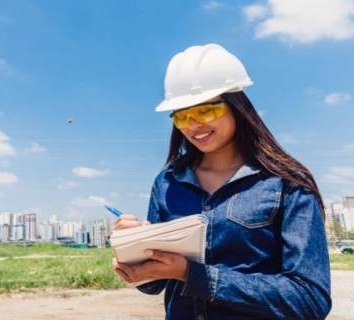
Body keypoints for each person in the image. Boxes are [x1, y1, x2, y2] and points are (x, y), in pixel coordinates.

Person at [112, 43, 332, 319]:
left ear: (237, 106)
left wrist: (194, 275)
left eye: (205, 111)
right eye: (181, 116)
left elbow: (310, 300)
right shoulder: (167, 183)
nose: (193, 125)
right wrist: (136, 253)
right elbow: (154, 284)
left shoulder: (287, 184)